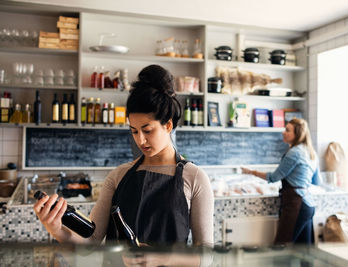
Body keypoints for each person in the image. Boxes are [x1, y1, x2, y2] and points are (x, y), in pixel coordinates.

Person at [33, 65, 214, 264]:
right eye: (134, 131)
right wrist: (56, 229)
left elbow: (206, 257)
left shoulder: (194, 177)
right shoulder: (118, 176)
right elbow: (91, 242)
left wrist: (162, 257)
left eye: (147, 130)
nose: (140, 140)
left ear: (168, 125)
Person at [241, 118, 321, 245]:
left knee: (281, 247)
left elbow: (273, 177)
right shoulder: (311, 153)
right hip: (308, 206)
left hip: (296, 205)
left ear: (297, 134)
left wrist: (251, 172)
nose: (283, 132)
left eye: (287, 130)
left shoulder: (294, 153)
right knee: (306, 253)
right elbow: (316, 181)